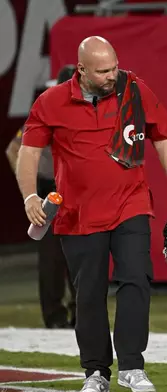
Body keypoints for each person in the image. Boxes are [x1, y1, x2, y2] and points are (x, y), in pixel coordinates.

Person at [17, 36, 167, 392]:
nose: (113, 75)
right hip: (78, 214)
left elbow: (164, 139)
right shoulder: (51, 102)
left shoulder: (134, 90)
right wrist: (30, 197)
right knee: (89, 294)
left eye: (114, 66)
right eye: (103, 71)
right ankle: (96, 372)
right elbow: (28, 152)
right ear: (81, 69)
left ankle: (132, 366)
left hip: (131, 204)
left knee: (136, 279)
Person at [5, 64, 77, 330]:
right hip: (51, 190)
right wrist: (30, 189)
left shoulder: (89, 111)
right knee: (51, 257)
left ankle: (80, 315)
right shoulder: (46, 112)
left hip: (79, 189)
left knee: (82, 255)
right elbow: (15, 150)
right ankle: (55, 317)